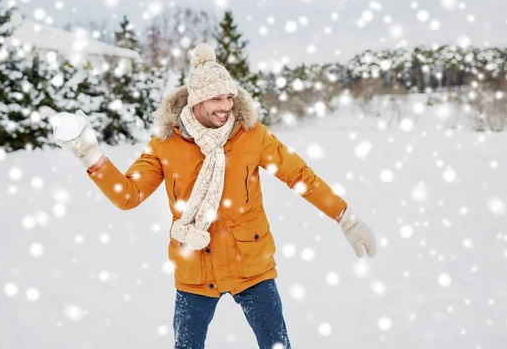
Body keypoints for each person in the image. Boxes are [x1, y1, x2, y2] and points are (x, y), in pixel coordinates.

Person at [53, 43, 377, 349]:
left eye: (229, 97)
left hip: (251, 264)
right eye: (216, 99)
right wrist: (90, 155)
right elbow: (129, 195)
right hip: (194, 268)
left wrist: (345, 218)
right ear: (196, 101)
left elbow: (300, 176)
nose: (226, 106)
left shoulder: (252, 136)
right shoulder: (165, 144)